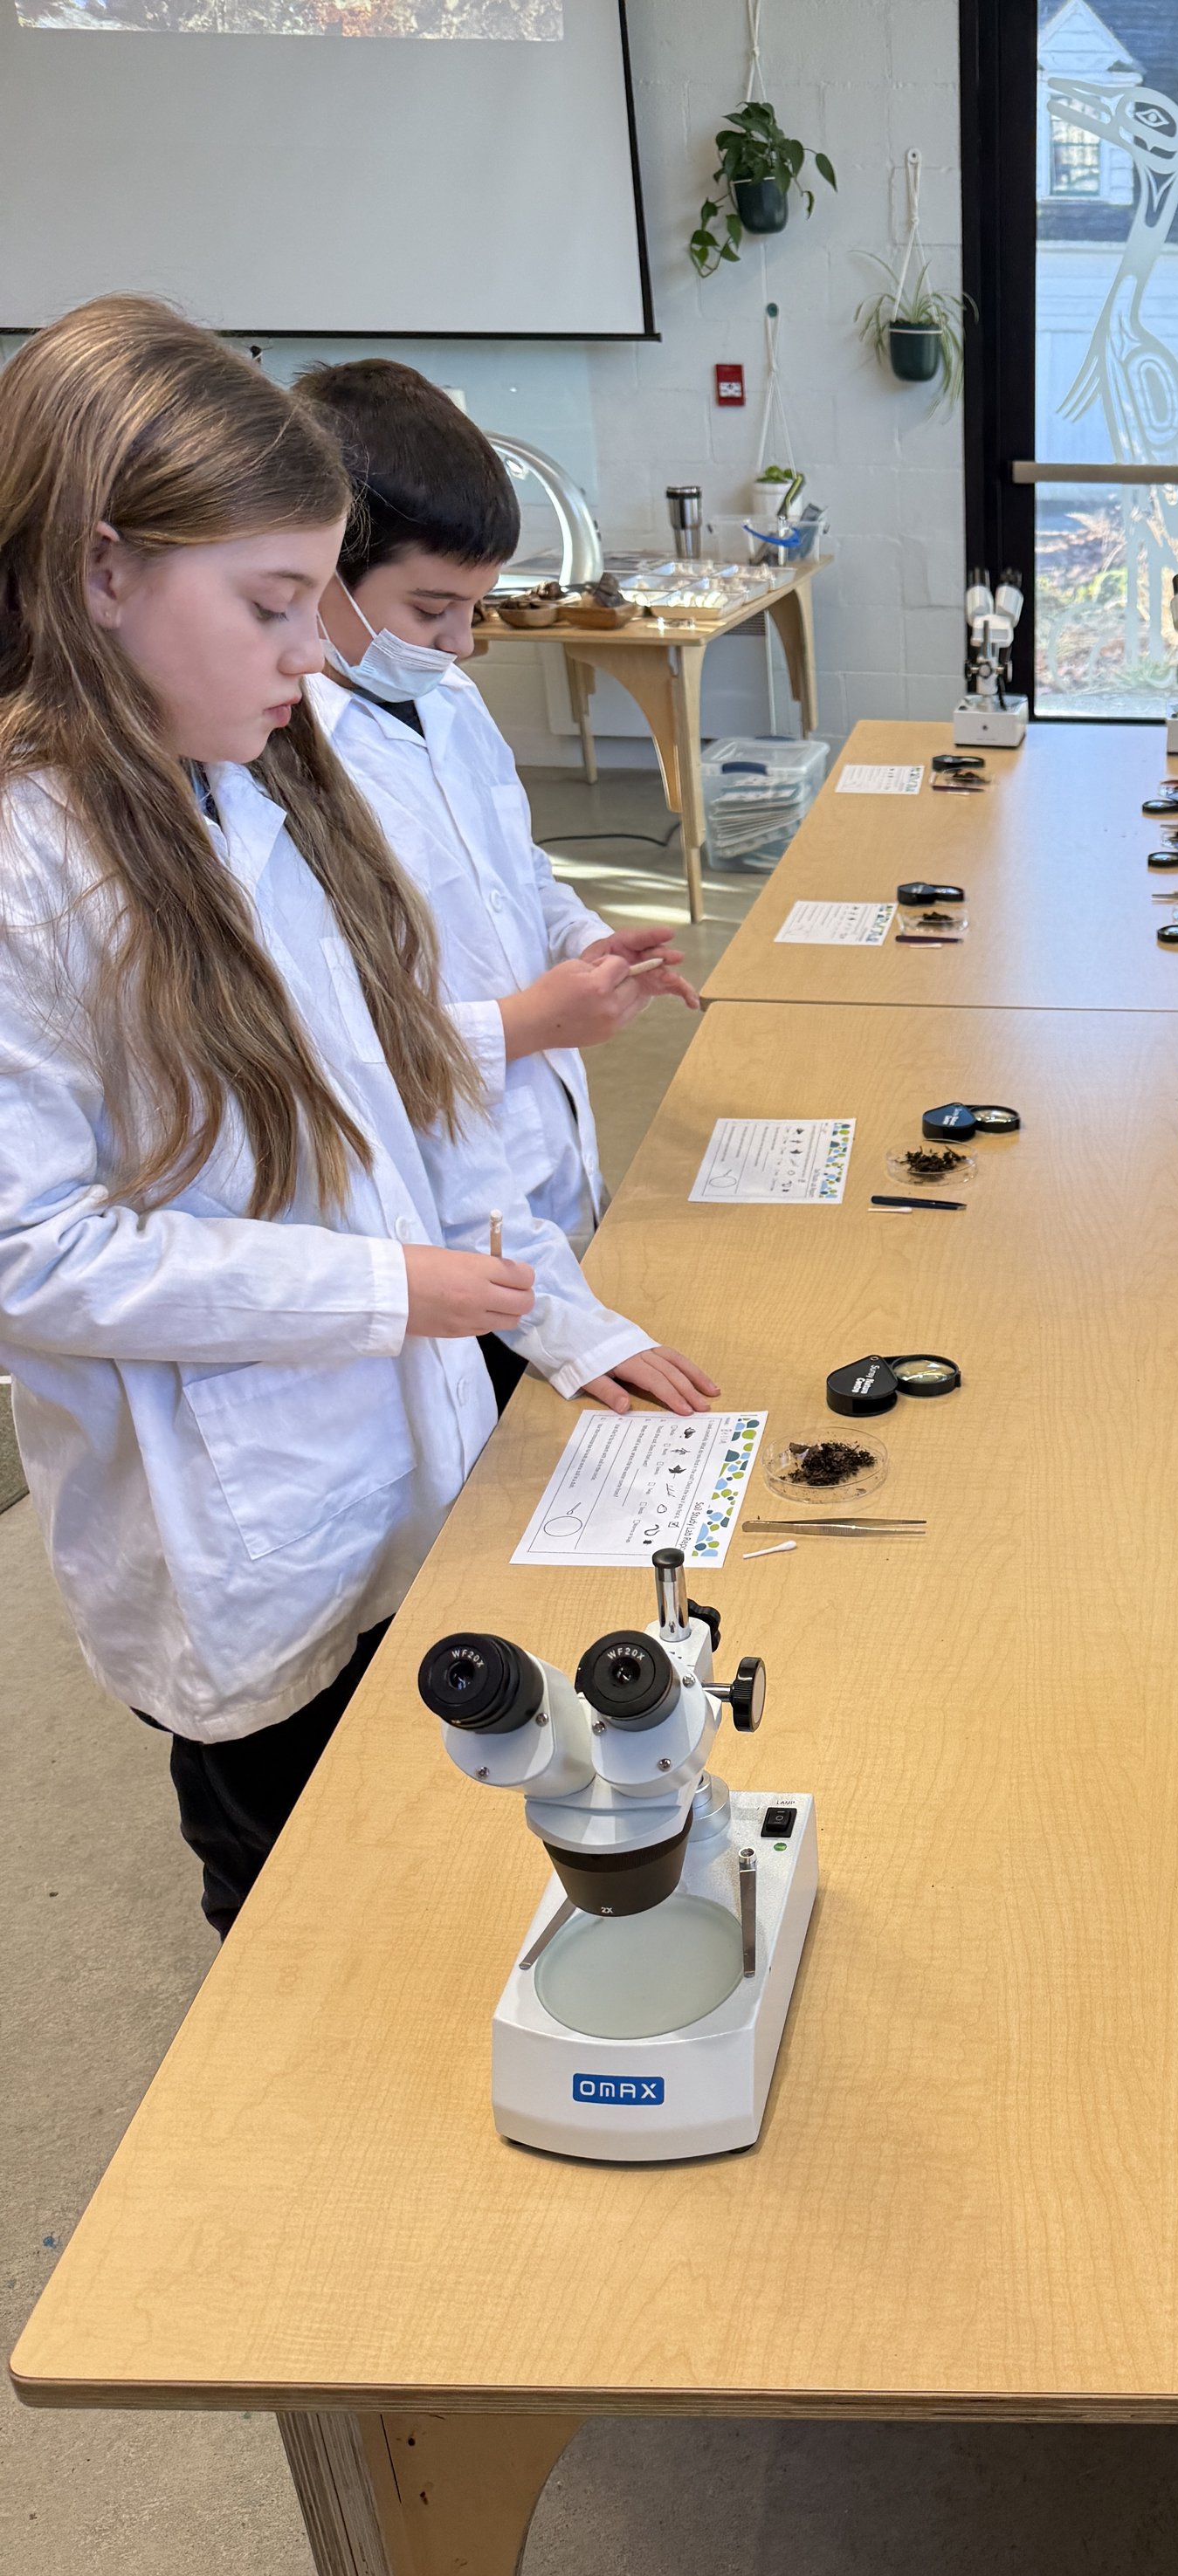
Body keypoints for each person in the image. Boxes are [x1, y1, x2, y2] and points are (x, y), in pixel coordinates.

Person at [0, 299, 690, 1934]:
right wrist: (383, 1289)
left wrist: (541, 1305)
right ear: (102, 572)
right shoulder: (32, 863)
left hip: (399, 1450)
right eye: (271, 605)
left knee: (427, 1825)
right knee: (289, 1892)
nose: (314, 654)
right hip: (241, 1519)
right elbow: (33, 1253)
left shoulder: (249, 782)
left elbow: (405, 1100)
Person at [292, 357, 707, 1412]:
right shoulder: (289, 763)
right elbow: (344, 1050)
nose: (461, 642)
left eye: (474, 608)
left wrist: (580, 940)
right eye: (432, 608)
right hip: (442, 1216)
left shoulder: (449, 701)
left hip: (533, 1151)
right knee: (502, 1406)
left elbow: (514, 866)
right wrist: (525, 1024)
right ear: (317, 570)